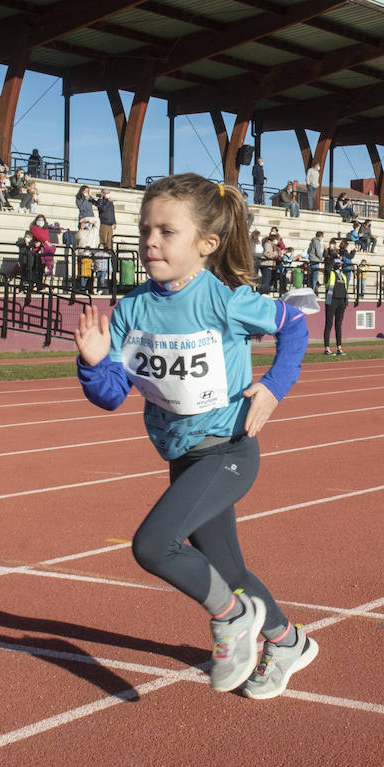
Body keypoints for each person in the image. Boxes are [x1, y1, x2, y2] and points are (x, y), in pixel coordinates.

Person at [74, 173, 315, 699]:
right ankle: (288, 640)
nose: (149, 242)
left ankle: (232, 618)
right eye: (144, 230)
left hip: (228, 450)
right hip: (182, 455)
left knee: (154, 545)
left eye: (166, 231)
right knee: (227, 566)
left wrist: (274, 387)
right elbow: (113, 394)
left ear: (206, 245)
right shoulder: (132, 309)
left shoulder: (224, 301)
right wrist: (94, 365)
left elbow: (294, 325)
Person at [323, 248, 349, 355]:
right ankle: (327, 348)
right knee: (329, 324)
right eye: (337, 263)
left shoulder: (343, 276)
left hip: (341, 302)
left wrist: (345, 301)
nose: (339, 264)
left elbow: (345, 289)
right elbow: (328, 267)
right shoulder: (330, 273)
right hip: (331, 301)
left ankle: (339, 347)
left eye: (340, 263)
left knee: (338, 325)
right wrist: (333, 257)